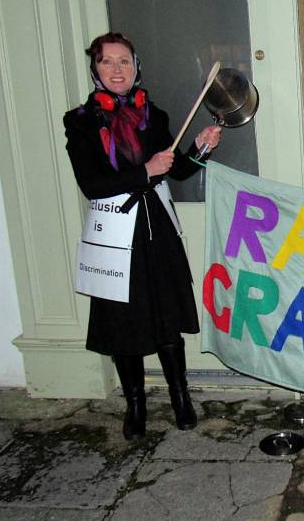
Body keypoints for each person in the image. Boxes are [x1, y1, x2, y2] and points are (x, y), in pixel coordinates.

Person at [63, 32, 222, 441]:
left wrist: (199, 149)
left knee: (166, 316)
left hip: (156, 229)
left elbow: (178, 170)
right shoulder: (79, 122)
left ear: (136, 67)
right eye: (107, 62)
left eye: (124, 61)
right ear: (95, 68)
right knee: (122, 321)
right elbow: (92, 184)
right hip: (115, 230)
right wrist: (143, 172)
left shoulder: (156, 116)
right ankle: (135, 404)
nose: (117, 70)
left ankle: (180, 396)